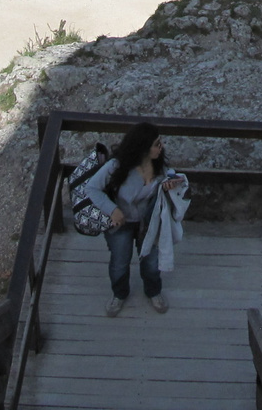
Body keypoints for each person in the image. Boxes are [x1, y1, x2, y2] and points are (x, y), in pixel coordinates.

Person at [80, 121, 188, 316]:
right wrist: (112, 210)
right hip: (120, 222)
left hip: (148, 222)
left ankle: (153, 291)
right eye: (156, 143)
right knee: (120, 261)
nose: (160, 146)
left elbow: (163, 181)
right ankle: (119, 294)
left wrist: (169, 184)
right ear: (143, 148)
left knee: (152, 262)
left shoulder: (158, 165)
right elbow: (91, 188)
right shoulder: (117, 166)